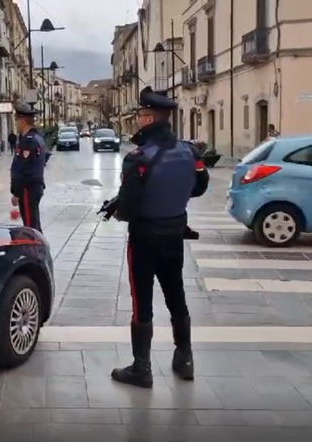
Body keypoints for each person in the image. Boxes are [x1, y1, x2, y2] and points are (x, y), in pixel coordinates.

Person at [110, 87, 202, 388]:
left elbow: (127, 207)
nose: (137, 120)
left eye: (140, 115)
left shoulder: (138, 157)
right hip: (175, 232)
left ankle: (141, 367)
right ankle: (184, 358)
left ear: (149, 118)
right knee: (176, 294)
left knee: (142, 300)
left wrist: (118, 208)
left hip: (145, 237)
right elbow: (199, 187)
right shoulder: (189, 151)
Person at [10, 103, 46, 232]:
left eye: (16, 120)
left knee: (31, 227)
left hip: (27, 189)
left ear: (23, 121)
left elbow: (23, 170)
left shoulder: (28, 141)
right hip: (33, 187)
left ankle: (36, 251)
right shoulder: (36, 137)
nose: (16, 123)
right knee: (32, 223)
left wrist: (16, 193)